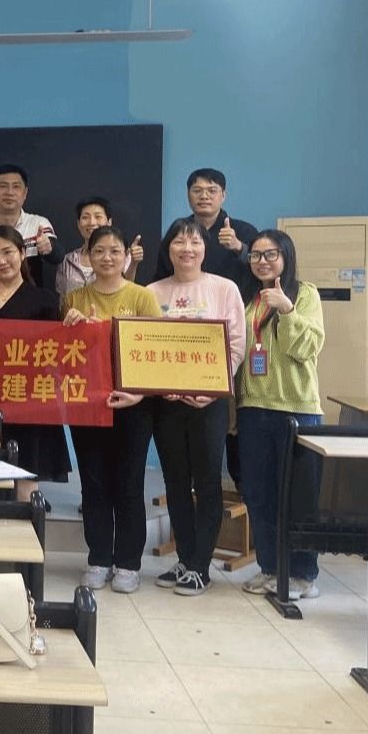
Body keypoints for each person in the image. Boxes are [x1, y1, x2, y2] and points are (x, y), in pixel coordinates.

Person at [146, 218, 246, 596]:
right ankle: (185, 558)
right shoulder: (152, 292)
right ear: (168, 249)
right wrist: (161, 386)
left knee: (206, 482)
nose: (187, 248)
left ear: (205, 249)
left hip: (209, 401)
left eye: (194, 242)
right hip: (166, 403)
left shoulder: (224, 288)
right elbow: (142, 343)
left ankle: (201, 565)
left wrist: (213, 387)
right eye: (179, 242)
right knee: (174, 481)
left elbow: (236, 344)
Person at [61, 226, 161, 593]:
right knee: (94, 484)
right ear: (88, 256)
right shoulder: (73, 298)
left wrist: (138, 394)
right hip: (89, 405)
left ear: (126, 256)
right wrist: (71, 328)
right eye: (99, 251)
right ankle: (98, 558)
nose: (107, 257)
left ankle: (129, 563)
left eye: (115, 251)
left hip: (133, 405)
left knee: (129, 484)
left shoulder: (142, 297)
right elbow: (64, 356)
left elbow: (155, 353)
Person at [236, 230, 326, 601]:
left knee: (299, 498)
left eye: (270, 254)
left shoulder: (305, 294)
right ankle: (271, 567)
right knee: (258, 494)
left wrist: (287, 309)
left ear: (286, 256)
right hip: (253, 408)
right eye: (255, 255)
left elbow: (306, 347)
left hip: (297, 410)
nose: (262, 261)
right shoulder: (249, 299)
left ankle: (303, 574)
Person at [0, 226, 71, 502]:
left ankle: (28, 527)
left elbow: (55, 354)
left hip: (29, 399)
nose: (1, 261)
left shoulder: (46, 300)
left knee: (26, 476)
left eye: (8, 252)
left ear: (23, 253)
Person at [154, 168, 258, 287]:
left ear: (223, 195)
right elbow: (161, 276)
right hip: (184, 296)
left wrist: (239, 247)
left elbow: (261, 267)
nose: (204, 196)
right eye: (197, 191)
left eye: (212, 191)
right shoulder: (178, 231)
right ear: (188, 195)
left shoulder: (244, 230)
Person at [0, 164, 61, 287]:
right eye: (3, 186)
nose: (10, 192)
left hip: (31, 297)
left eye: (16, 186)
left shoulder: (38, 224)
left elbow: (58, 257)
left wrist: (49, 248)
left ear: (25, 193)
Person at [56, 196, 144, 295]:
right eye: (85, 217)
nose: (92, 222)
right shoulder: (67, 261)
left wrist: (133, 263)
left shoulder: (122, 256)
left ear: (109, 222)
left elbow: (126, 290)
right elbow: (63, 298)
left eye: (98, 217)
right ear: (78, 223)